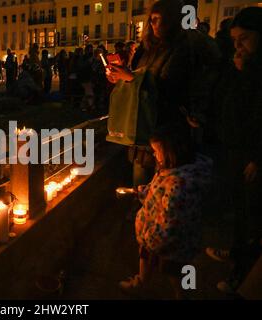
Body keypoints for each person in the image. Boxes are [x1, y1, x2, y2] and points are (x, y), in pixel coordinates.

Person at [106, 0, 221, 187]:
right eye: (151, 20)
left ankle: (155, 212)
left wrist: (131, 79)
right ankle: (143, 211)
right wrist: (120, 77)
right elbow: (137, 77)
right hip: (143, 126)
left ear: (172, 20)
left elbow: (171, 88)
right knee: (141, 178)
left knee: (164, 181)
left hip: (166, 128)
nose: (153, 24)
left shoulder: (183, 48)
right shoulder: (147, 48)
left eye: (158, 19)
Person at [119, 124, 213, 299]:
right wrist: (141, 192)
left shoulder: (180, 185)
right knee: (145, 257)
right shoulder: (171, 169)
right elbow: (159, 190)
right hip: (154, 231)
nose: (154, 155)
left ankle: (185, 295)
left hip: (171, 241)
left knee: (176, 270)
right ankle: (140, 282)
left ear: (171, 151)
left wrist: (150, 239)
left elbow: (172, 224)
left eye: (157, 151)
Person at [205, 7, 262, 295]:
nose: (238, 46)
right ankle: (238, 252)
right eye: (235, 40)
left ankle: (243, 272)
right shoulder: (242, 66)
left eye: (245, 39)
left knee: (251, 216)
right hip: (234, 148)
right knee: (239, 210)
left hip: (251, 156)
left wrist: (257, 158)